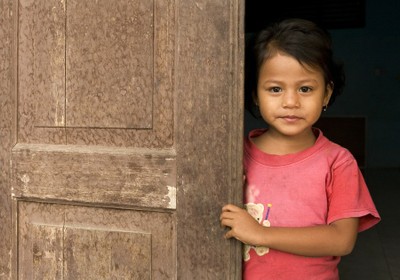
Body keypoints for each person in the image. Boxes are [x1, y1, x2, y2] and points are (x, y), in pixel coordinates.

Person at [220, 18, 380, 279]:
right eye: (275, 89)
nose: (291, 102)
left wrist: (261, 234)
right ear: (254, 95)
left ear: (326, 94)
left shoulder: (338, 162)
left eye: (305, 88)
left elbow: (342, 240)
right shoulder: (233, 154)